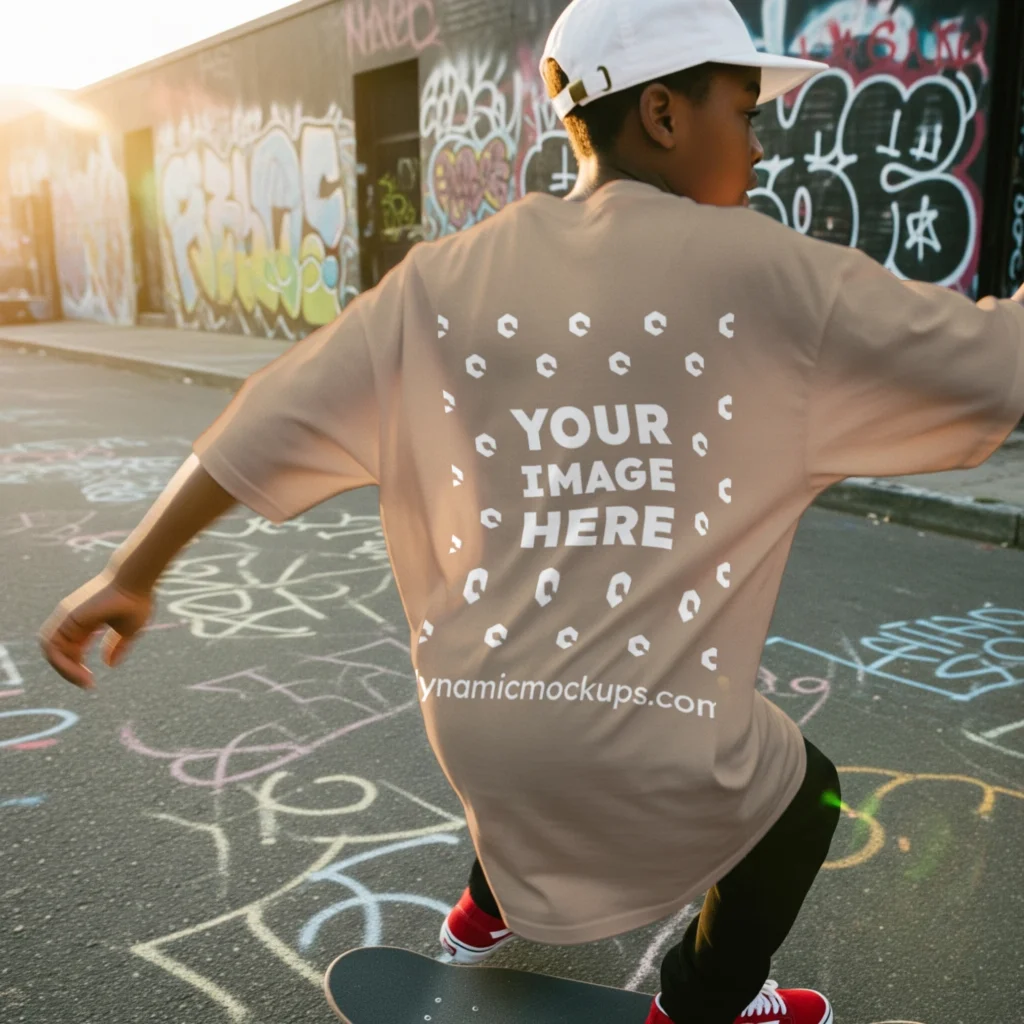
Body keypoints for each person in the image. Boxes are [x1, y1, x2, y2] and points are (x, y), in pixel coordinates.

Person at [38, 0, 1024, 1021]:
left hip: (472, 727)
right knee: (803, 794)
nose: (762, 143)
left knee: (538, 678)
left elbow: (260, 422)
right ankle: (699, 1004)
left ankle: (479, 909)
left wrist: (133, 571)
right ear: (662, 113)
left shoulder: (440, 280)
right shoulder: (771, 273)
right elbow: (995, 360)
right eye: (743, 108)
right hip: (646, 738)